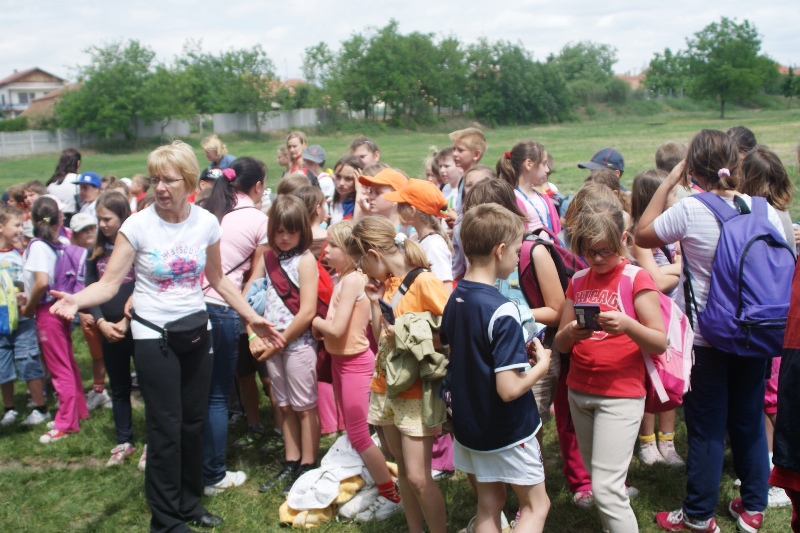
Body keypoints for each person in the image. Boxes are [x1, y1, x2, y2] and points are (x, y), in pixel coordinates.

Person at [49, 140, 283, 533]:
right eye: (155, 178)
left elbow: (217, 279)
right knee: (165, 428)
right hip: (153, 335)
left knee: (193, 423)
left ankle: (189, 503)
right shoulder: (137, 225)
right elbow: (108, 284)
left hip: (197, 332)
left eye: (169, 180)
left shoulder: (206, 223)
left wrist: (251, 317)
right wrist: (76, 299)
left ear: (189, 182)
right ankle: (165, 519)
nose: (159, 187)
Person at [636, 129, 787, 533]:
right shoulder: (764, 210)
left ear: (692, 170)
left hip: (708, 337)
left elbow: (642, 234)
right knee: (749, 419)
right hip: (756, 333)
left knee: (706, 426)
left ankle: (699, 515)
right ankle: (753, 508)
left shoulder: (690, 210)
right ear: (737, 163)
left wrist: (670, 179)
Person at [555, 200, 666, 533]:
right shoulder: (578, 280)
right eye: (590, 251)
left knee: (606, 489)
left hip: (621, 394)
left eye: (606, 250)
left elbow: (660, 341)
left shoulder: (636, 277)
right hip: (579, 392)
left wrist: (628, 326)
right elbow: (560, 344)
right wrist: (572, 332)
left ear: (623, 239)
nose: (598, 258)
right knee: (601, 481)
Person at [443, 202, 552, 533]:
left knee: (489, 502)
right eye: (517, 251)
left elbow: (454, 347)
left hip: (469, 424)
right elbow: (508, 389)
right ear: (500, 250)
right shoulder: (504, 310)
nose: (518, 259)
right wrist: (542, 365)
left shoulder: (456, 297)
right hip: (506, 428)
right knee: (536, 506)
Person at [347, 215, 448, 533]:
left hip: (415, 391)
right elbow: (382, 335)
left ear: (373, 254)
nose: (361, 271)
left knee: (419, 477)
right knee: (403, 470)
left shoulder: (425, 282)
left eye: (361, 264)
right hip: (386, 386)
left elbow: (451, 333)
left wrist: (405, 332)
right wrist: (375, 301)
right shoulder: (388, 282)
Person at [310, 221, 402, 522]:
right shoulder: (344, 278)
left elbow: (336, 329)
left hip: (355, 365)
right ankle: (384, 480)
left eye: (334, 246)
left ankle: (392, 494)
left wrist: (314, 321)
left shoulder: (351, 281)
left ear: (350, 252)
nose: (326, 251)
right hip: (341, 363)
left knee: (360, 435)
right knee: (357, 433)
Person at [200, 157, 270, 496]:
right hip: (223, 307)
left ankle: (186, 462)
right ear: (257, 186)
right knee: (217, 395)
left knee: (194, 390)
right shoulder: (258, 219)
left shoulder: (206, 211)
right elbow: (256, 274)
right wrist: (250, 321)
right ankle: (213, 472)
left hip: (189, 308)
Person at [250, 195, 321, 495]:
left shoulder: (306, 260)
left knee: (305, 407)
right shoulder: (268, 258)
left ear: (302, 230)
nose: (284, 237)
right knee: (284, 405)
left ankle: (308, 463)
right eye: (279, 231)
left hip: (297, 344)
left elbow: (307, 311)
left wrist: (278, 343)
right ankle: (291, 461)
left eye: (291, 231)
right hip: (272, 344)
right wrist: (254, 335)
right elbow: (251, 295)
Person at [739, 145, 796, 508]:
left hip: (770, 319)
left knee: (771, 398)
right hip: (781, 316)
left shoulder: (766, 217)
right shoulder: (783, 214)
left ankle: (774, 473)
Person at [21, 196, 89, 444]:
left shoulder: (38, 246)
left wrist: (28, 307)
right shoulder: (60, 243)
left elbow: (41, 282)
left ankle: (65, 423)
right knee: (67, 361)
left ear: (32, 219)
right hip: (62, 308)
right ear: (59, 219)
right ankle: (77, 410)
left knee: (59, 368)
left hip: (46, 311)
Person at [628, 170, 683, 467]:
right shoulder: (641, 236)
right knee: (651, 378)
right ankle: (647, 442)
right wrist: (680, 269)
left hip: (673, 316)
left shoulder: (672, 231)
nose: (675, 197)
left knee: (672, 375)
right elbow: (655, 281)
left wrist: (669, 270)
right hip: (650, 316)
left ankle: (668, 441)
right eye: (671, 192)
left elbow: (661, 275)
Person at [84, 192, 138, 465]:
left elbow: (145, 286)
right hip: (108, 330)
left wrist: (127, 321)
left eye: (108, 219)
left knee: (149, 386)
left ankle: (155, 440)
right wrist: (101, 322)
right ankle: (123, 440)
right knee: (118, 386)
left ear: (122, 217)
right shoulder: (95, 253)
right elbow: (90, 289)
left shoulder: (135, 247)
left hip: (137, 326)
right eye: (100, 219)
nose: (103, 224)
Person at [0, 204, 48, 427]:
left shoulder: (22, 254)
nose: (21, 229)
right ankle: (9, 409)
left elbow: (28, 281)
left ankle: (40, 407)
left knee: (28, 360)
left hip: (23, 319)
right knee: (2, 366)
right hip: (1, 322)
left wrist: (24, 296)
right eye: (16, 225)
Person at [496, 140, 561, 234]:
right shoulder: (513, 200)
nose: (547, 170)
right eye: (544, 164)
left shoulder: (542, 196)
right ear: (529, 164)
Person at [358, 168, 415, 237]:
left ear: (396, 197)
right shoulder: (370, 223)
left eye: (378, 192)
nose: (371, 197)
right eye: (371, 191)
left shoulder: (409, 232)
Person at [450, 127, 486, 215]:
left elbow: (477, 214)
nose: (454, 154)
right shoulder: (463, 179)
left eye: (460, 150)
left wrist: (456, 219)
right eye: (454, 149)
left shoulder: (478, 181)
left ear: (476, 155)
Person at [45, 148, 81, 221]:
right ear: (78, 163)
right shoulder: (78, 179)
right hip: (74, 217)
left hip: (55, 218)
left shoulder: (52, 182)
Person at [329, 154, 363, 226]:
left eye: (348, 178)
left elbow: (356, 224)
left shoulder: (361, 205)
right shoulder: (329, 203)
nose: (341, 183)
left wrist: (359, 190)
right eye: (338, 176)